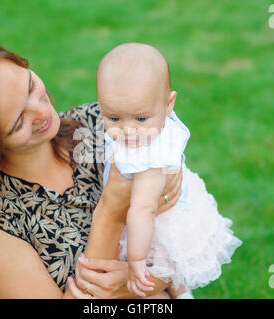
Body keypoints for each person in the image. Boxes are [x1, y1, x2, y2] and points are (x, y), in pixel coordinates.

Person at [0, 37, 184, 298]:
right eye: (18, 123)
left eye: (29, 87)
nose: (41, 112)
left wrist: (149, 279)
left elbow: (185, 227)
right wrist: (111, 211)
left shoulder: (103, 124)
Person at [96, 43, 242, 298]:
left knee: (152, 277)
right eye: (113, 118)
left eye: (140, 119)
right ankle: (180, 290)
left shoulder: (148, 158)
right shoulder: (154, 121)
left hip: (155, 224)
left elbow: (143, 208)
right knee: (173, 276)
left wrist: (136, 261)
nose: (127, 130)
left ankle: (178, 291)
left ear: (168, 103)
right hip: (162, 212)